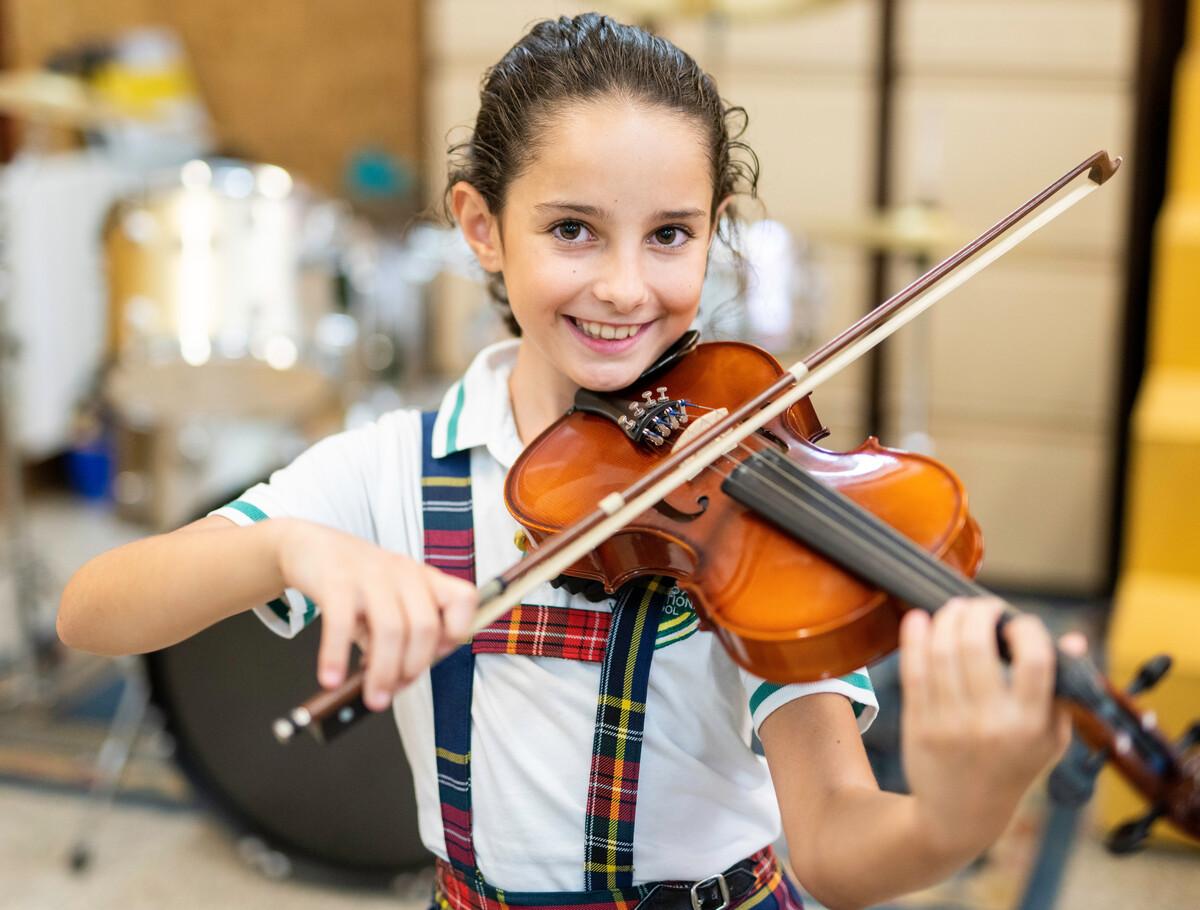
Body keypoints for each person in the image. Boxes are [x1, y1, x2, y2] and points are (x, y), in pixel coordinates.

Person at [58, 14, 1082, 910]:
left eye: (670, 234)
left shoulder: (758, 502)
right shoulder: (398, 467)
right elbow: (92, 611)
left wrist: (954, 816)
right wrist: (288, 547)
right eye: (574, 230)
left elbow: (835, 845)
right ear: (481, 227)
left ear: (714, 234)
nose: (627, 287)